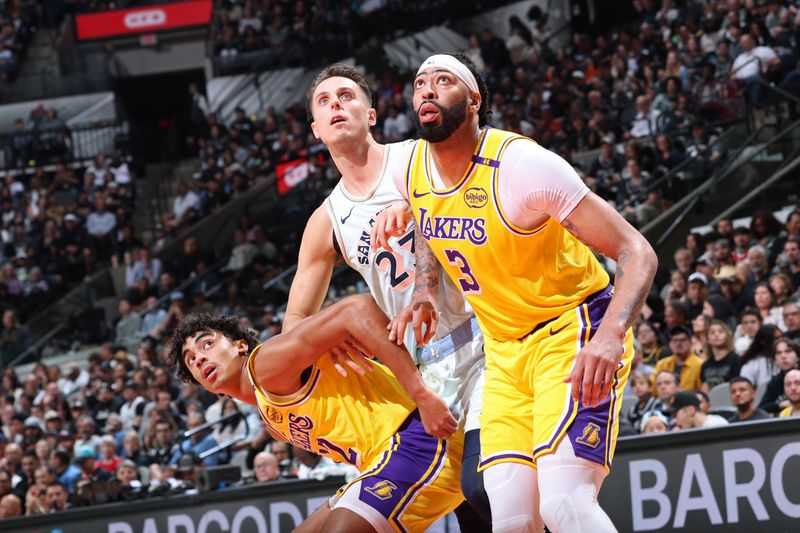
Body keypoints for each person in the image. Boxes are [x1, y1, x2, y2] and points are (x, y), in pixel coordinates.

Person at [373, 53, 657, 533]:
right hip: (503, 351)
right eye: (420, 82)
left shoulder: (523, 166)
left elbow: (636, 250)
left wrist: (609, 336)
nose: (426, 89)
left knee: (564, 504)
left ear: (474, 101)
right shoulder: (411, 167)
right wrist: (424, 288)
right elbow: (426, 213)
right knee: (511, 519)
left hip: (571, 332)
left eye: (443, 81)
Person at [289, 63, 489, 529]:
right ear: (316, 131)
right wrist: (324, 338)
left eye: (346, 96)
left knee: (494, 488)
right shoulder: (327, 220)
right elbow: (295, 319)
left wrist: (417, 203)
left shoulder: (420, 156)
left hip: (486, 335)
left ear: (372, 114)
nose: (336, 105)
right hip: (428, 370)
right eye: (324, 102)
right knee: (472, 512)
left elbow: (483, 193)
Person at [169, 296, 463, 533]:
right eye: (192, 360)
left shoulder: (265, 365)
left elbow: (355, 308)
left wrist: (421, 395)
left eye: (207, 344)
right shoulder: (271, 418)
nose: (200, 358)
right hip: (388, 458)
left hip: (420, 437)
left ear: (240, 345)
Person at [652, 327, 703, 393]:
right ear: (669, 344)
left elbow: (702, 392)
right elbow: (654, 389)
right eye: (675, 340)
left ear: (691, 343)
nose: (678, 344)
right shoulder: (662, 364)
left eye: (683, 340)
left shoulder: (700, 364)